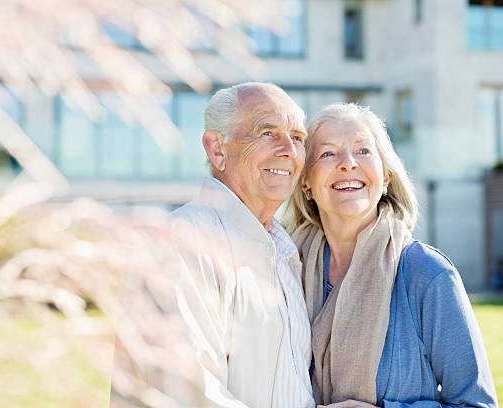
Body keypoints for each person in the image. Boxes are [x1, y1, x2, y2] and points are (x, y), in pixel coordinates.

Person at [287, 103, 498, 408]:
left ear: (385, 176)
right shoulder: (286, 268)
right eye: (328, 153)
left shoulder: (427, 273)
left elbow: (478, 404)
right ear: (305, 181)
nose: (348, 164)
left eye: (363, 151)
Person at [171, 82, 315, 407]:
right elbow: (192, 394)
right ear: (217, 149)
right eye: (267, 133)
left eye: (298, 138)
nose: (290, 152)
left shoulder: (286, 252)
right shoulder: (186, 239)